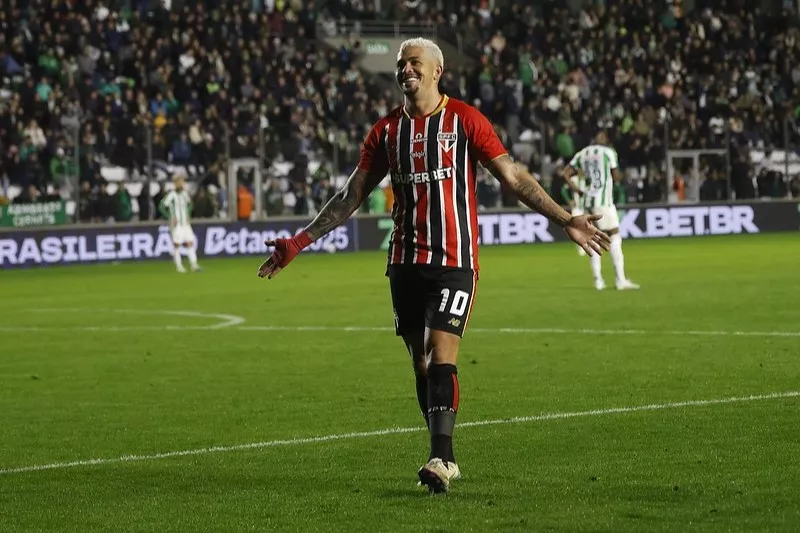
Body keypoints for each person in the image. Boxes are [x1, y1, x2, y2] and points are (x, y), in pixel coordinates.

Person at [257, 38, 610, 494]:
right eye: (401, 63)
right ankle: (444, 455)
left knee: (441, 350)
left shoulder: (464, 119)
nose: (406, 69)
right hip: (404, 262)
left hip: (454, 261)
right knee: (421, 363)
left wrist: (565, 218)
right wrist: (299, 242)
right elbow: (351, 195)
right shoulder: (386, 131)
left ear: (437, 70)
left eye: (415, 62)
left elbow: (513, 177)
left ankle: (440, 458)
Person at [563, 132, 639, 291]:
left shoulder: (582, 153)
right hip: (603, 202)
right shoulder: (608, 152)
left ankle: (598, 280)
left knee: (593, 238)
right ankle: (620, 280)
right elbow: (616, 177)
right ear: (603, 139)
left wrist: (575, 188)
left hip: (587, 202)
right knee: (614, 235)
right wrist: (623, 175)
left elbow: (566, 173)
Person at [159, 176, 201, 273]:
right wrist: (169, 217)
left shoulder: (184, 194)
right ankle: (179, 266)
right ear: (175, 184)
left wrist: (188, 215)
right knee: (177, 245)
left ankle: (194, 265)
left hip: (185, 224)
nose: (182, 184)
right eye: (180, 182)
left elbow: (190, 205)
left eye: (182, 182)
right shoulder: (171, 195)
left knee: (190, 242)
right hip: (177, 225)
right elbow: (161, 206)